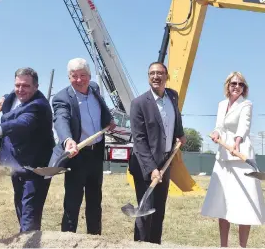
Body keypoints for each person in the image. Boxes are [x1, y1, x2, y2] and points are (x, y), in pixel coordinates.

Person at [49, 57, 115, 235]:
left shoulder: (94, 88)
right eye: (74, 76)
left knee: (95, 201)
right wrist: (68, 140)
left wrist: (109, 120)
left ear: (89, 75)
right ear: (68, 77)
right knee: (72, 202)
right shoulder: (62, 97)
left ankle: (95, 240)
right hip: (76, 155)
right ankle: (67, 240)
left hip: (95, 155)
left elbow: (102, 107)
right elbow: (61, 120)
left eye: (83, 75)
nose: (79, 80)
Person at [0, 67, 55, 232]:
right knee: (20, 204)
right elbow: (10, 95)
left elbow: (23, 123)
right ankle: (25, 236)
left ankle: (28, 240)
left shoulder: (39, 105)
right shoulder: (14, 95)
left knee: (30, 209)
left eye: (25, 86)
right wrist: (3, 97)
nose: (20, 89)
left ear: (36, 87)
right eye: (17, 85)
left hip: (35, 167)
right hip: (16, 163)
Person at [201, 71, 265, 247]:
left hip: (241, 157)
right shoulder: (222, 104)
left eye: (240, 84)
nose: (237, 86)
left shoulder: (247, 104)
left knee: (245, 204)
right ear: (227, 86)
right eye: (233, 83)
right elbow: (219, 126)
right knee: (223, 203)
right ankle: (224, 246)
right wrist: (215, 133)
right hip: (223, 158)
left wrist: (237, 141)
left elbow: (244, 125)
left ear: (244, 88)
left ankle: (242, 246)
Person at [128, 61, 186, 244]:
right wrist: (152, 168)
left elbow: (175, 119)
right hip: (144, 165)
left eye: (160, 73)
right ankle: (141, 245)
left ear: (166, 77)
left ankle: (155, 245)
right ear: (148, 77)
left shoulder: (172, 96)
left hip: (165, 163)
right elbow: (139, 140)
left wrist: (180, 134)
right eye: (152, 73)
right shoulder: (138, 104)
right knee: (145, 212)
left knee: (159, 211)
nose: (156, 76)